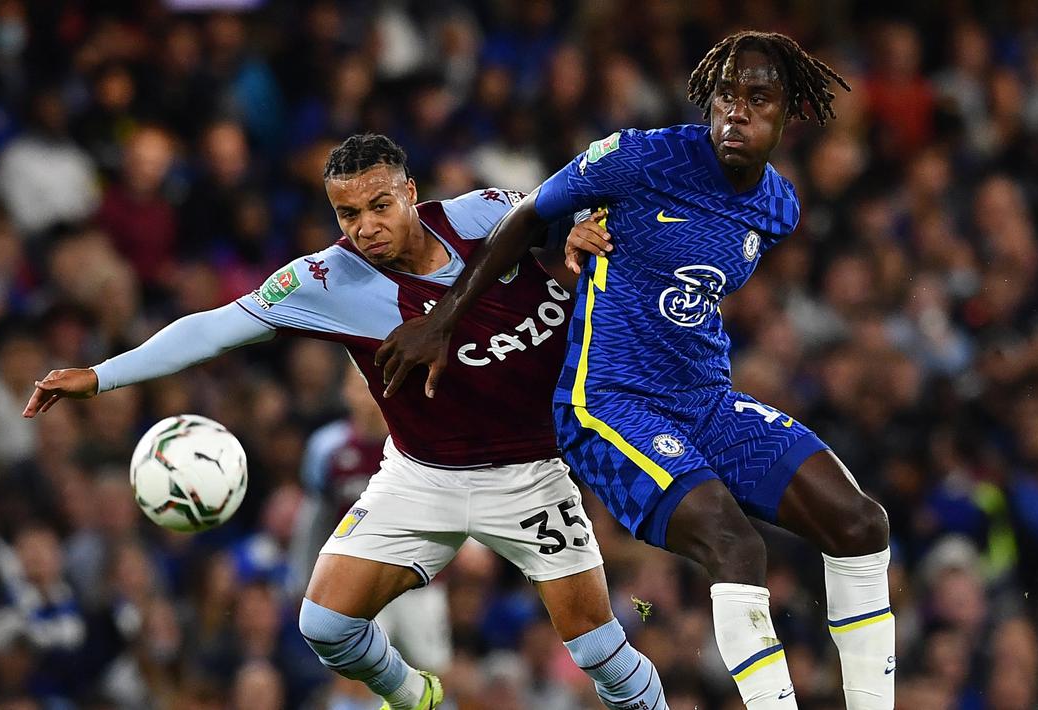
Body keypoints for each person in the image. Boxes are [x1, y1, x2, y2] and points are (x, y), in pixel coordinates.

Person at [22, 134, 669, 710]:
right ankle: (414, 695)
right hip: (422, 476)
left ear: (410, 194)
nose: (365, 228)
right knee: (325, 627)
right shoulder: (324, 281)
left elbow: (584, 196)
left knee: (597, 653)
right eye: (347, 213)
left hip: (529, 473)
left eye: (379, 206)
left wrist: (587, 224)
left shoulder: (486, 212)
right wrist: (101, 376)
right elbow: (215, 328)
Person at [376, 31, 894, 710]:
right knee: (735, 546)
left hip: (704, 401)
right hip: (608, 403)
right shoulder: (640, 157)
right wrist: (445, 320)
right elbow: (530, 214)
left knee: (860, 524)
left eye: (757, 99)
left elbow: (679, 279)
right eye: (724, 96)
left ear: (788, 112)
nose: (735, 112)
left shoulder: (777, 208)